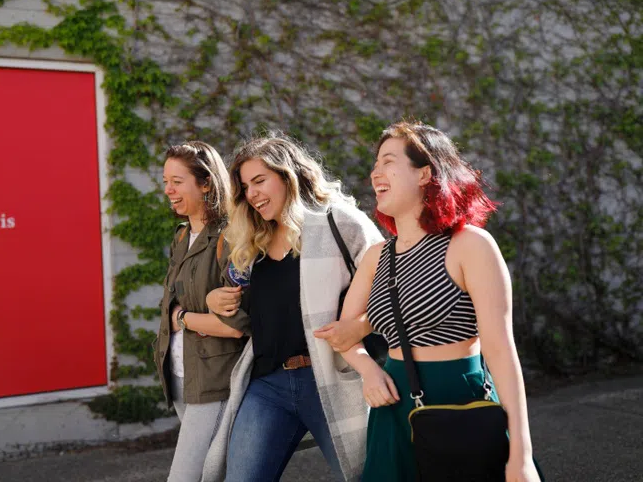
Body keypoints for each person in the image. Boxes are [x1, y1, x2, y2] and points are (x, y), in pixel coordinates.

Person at [316, 120, 543, 481]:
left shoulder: (470, 245)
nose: (376, 173)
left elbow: (501, 351)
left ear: (425, 174)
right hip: (392, 408)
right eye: (375, 164)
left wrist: (522, 455)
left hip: (461, 399)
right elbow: (343, 336)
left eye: (388, 161)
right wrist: (369, 370)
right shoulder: (377, 256)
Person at [200, 133, 383, 482]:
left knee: (367, 476)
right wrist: (214, 301)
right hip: (268, 384)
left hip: (330, 375)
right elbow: (247, 317)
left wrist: (358, 327)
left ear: (288, 177)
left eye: (260, 181)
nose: (252, 194)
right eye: (245, 187)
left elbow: (394, 288)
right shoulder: (253, 241)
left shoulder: (338, 222)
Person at [153, 141, 246, 482]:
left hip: (213, 380)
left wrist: (183, 319)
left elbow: (236, 325)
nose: (168, 190)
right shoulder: (181, 237)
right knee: (211, 475)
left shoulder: (231, 238)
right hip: (180, 376)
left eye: (177, 182)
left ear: (205, 183)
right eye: (166, 181)